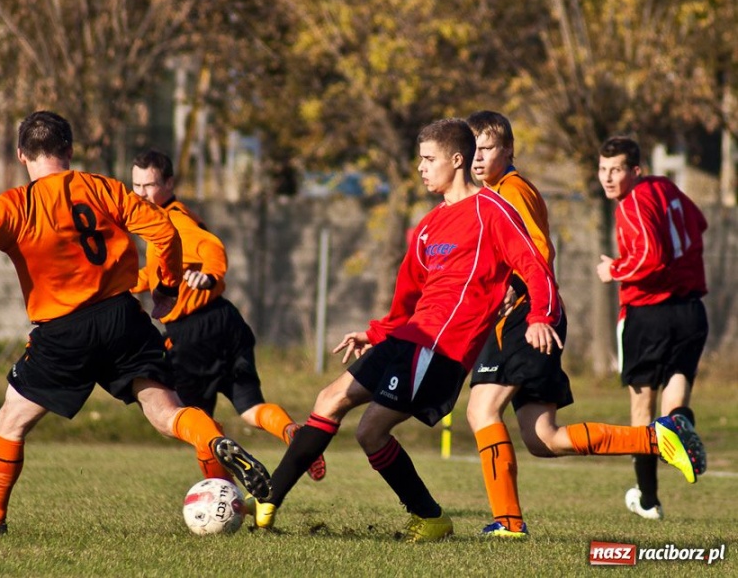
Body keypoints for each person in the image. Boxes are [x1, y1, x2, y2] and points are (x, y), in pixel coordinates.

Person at [0, 110, 271, 536]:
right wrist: (165, 285)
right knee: (167, 412)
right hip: (124, 318)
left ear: (20, 155)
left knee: (12, 421)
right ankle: (213, 441)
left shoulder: (16, 206)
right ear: (69, 150)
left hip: (64, 332)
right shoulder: (103, 188)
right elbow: (164, 230)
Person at [254, 118, 567, 541]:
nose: (420, 168)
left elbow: (535, 263)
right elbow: (408, 296)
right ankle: (268, 502)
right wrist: (377, 332)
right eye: (419, 159)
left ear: (457, 160)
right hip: (410, 337)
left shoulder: (493, 211)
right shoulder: (428, 225)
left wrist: (540, 317)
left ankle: (430, 517)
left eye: (428, 159)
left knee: (370, 431)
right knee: (328, 399)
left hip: (441, 349)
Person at [464, 111, 706, 538]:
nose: (477, 157)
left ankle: (508, 523)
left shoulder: (512, 191)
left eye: (486, 148)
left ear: (508, 151)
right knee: (544, 439)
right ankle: (659, 439)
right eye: (472, 149)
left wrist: (533, 308)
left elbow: (538, 253)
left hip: (529, 315)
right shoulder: (489, 193)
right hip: (522, 316)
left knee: (482, 409)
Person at [130, 149, 325, 483]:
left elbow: (212, 249)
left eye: (149, 185)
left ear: (169, 183)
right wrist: (121, 285)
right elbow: (156, 273)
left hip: (192, 333)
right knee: (251, 409)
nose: (141, 194)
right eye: (136, 185)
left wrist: (209, 275)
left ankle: (224, 492)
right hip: (227, 321)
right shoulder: (172, 216)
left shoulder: (173, 220)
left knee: (196, 422)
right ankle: (293, 432)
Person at [596, 135, 709, 520]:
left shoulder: (631, 204)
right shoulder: (665, 188)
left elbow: (650, 257)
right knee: (675, 398)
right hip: (691, 310)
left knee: (641, 409)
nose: (608, 178)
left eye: (617, 170)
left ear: (635, 171)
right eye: (603, 169)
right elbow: (700, 222)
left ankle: (648, 499)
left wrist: (614, 269)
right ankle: (680, 425)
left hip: (649, 314)